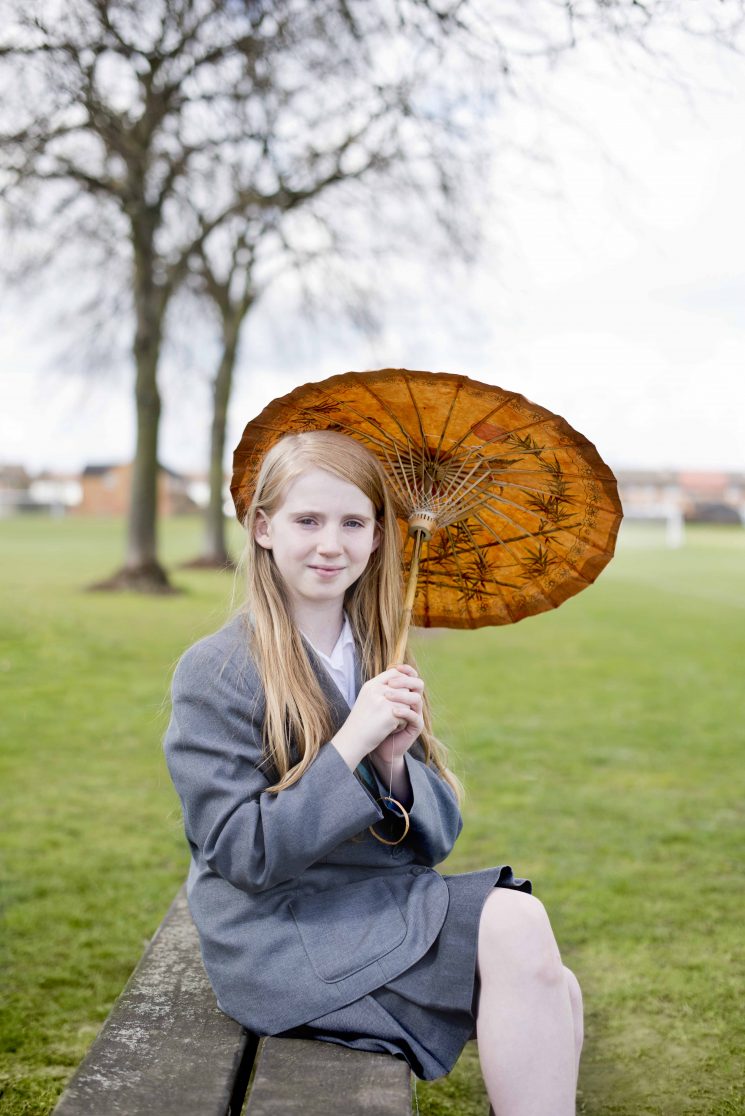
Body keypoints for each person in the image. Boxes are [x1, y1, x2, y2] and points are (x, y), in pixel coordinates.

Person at [163, 428, 583, 1114]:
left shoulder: (378, 654)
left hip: (371, 904)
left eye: (352, 522)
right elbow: (244, 854)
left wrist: (394, 769)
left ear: (379, 536)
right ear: (263, 528)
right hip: (279, 932)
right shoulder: (216, 671)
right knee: (515, 927)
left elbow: (437, 839)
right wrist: (348, 746)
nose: (330, 544)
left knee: (554, 983)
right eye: (307, 520)